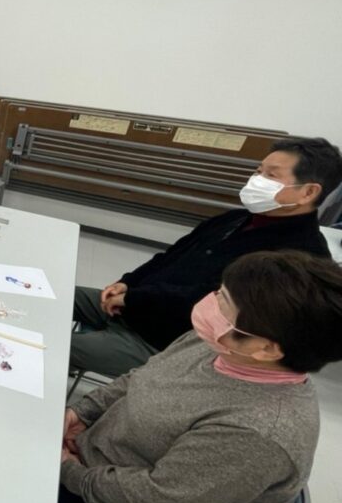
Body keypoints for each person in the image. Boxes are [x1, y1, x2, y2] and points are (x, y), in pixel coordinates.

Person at [0, 251, 342, 503]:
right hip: (111, 461)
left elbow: (156, 502)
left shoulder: (258, 432)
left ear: (267, 349)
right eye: (219, 292)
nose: (210, 305)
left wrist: (67, 470)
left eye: (224, 302)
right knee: (5, 419)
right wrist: (80, 414)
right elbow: (140, 379)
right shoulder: (222, 342)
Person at [72, 137, 341, 378]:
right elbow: (172, 255)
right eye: (258, 171)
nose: (256, 180)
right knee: (48, 294)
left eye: (271, 175)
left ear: (308, 192)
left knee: (45, 340)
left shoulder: (299, 260)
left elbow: (207, 302)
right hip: (130, 307)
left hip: (162, 345)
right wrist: (127, 283)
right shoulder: (235, 219)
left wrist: (133, 298)